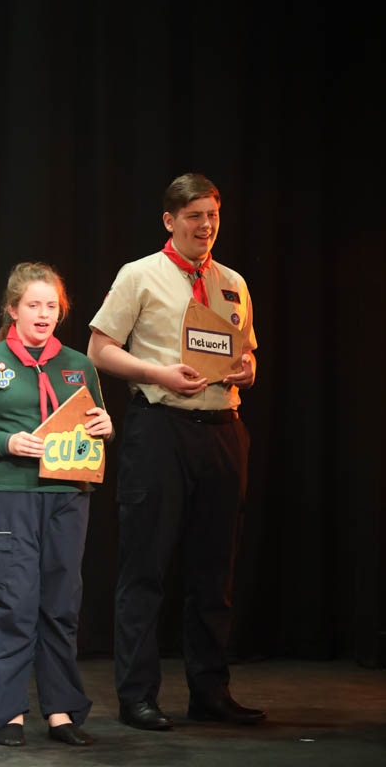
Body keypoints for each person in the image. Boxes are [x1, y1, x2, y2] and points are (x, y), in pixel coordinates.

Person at [87, 173, 266, 730]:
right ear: (170, 221)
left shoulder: (233, 282)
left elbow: (248, 355)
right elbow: (99, 349)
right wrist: (157, 372)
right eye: (194, 216)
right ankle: (137, 696)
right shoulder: (139, 274)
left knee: (215, 570)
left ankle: (210, 690)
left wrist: (247, 369)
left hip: (223, 429)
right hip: (161, 428)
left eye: (212, 215)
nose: (206, 226)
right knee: (146, 567)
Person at [0, 262, 112, 748]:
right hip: (9, 496)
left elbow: (94, 421)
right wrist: (7, 442)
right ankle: (9, 714)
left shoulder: (78, 365)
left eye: (52, 306)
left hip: (67, 495)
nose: (43, 314)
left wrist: (106, 426)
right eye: (33, 305)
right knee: (17, 604)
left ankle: (61, 711)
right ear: (13, 309)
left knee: (61, 604)